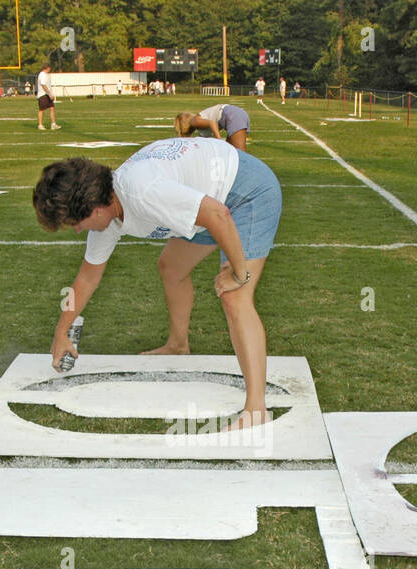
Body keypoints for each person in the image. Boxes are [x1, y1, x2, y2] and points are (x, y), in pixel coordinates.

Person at [32, 138, 282, 430]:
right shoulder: (109, 212)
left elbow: (218, 214)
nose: (76, 230)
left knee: (235, 297)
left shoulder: (142, 192)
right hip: (210, 201)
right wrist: (61, 331)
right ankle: (178, 345)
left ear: (95, 208)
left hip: (246, 192)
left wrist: (239, 273)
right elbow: (86, 277)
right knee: (171, 267)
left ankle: (256, 410)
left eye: (75, 222)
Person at [174, 104, 250, 151]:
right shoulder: (199, 125)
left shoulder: (194, 121)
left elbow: (212, 123)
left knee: (240, 156)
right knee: (230, 152)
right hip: (236, 113)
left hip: (233, 115)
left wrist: (219, 141)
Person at [36, 64, 59, 130]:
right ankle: (40, 125)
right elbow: (43, 85)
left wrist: (51, 94)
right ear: (47, 68)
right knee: (41, 110)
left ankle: (53, 124)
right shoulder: (42, 75)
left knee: (52, 108)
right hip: (43, 95)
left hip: (48, 95)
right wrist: (49, 94)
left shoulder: (46, 75)